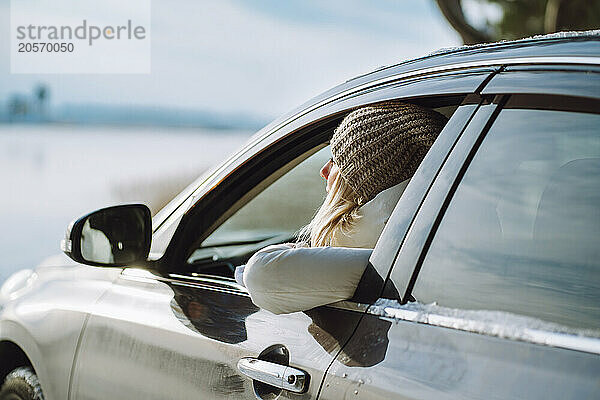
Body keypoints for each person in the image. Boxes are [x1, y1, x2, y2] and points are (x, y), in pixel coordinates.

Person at [236, 102, 447, 314]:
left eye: (335, 160)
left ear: (368, 175)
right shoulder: (409, 240)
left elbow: (260, 274)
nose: (323, 170)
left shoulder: (383, 251)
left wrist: (305, 252)